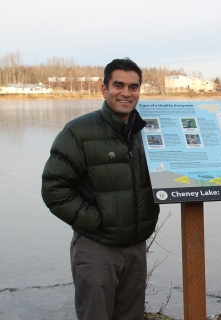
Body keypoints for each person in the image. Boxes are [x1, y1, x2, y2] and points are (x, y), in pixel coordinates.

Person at [41, 58, 160, 320]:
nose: (126, 93)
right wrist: (97, 221)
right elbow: (54, 189)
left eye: (133, 86)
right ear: (104, 89)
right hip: (97, 247)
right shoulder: (78, 132)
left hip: (136, 247)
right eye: (118, 85)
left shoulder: (149, 133)